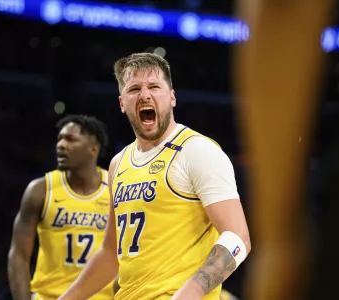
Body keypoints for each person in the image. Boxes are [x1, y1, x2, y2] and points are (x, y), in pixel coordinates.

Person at [58, 53, 251, 300]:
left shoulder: (197, 151)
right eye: (134, 88)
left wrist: (188, 293)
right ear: (121, 102)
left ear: (171, 97)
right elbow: (109, 255)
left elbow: (238, 238)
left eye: (154, 86)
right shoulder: (119, 164)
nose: (145, 95)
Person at [8, 115, 115, 300]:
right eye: (60, 139)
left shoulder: (116, 189)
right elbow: (18, 255)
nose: (61, 145)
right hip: (49, 296)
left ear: (93, 149)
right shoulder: (40, 190)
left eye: (70, 139)